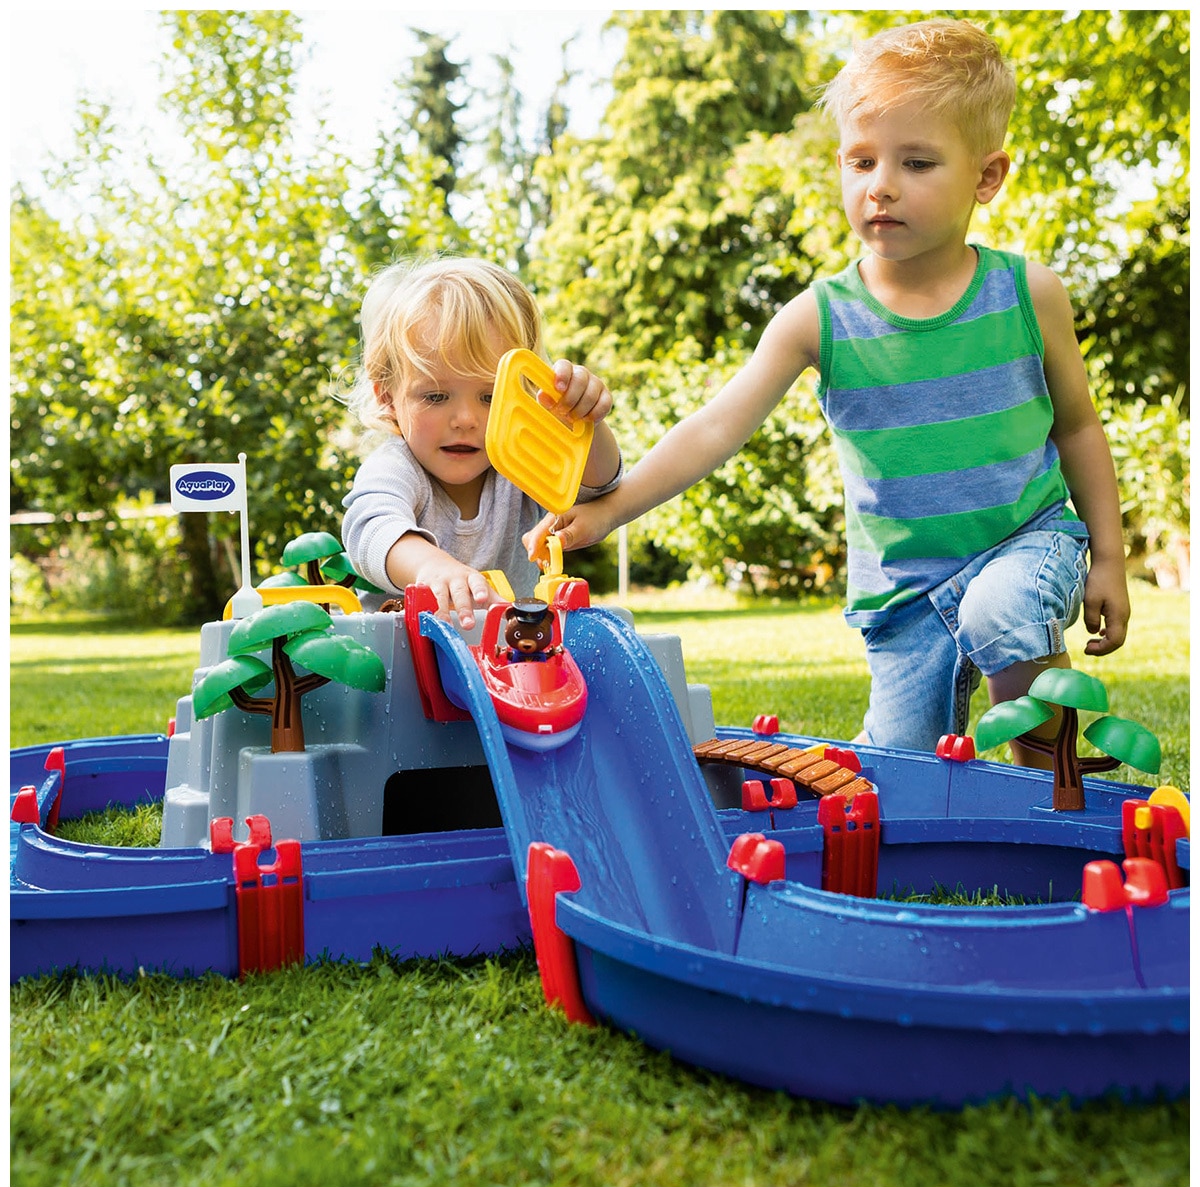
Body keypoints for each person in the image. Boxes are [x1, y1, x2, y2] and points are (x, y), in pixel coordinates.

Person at [525, 19, 1130, 762]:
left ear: (986, 177)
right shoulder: (819, 316)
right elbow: (718, 427)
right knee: (895, 775)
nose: (881, 186)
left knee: (1001, 611)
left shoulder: (1027, 294)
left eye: (916, 162)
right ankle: (896, 761)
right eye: (862, 160)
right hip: (905, 595)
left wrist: (1108, 556)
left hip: (1025, 545)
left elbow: (1077, 429)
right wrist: (609, 509)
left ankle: (1053, 791)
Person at [341, 257, 622, 629]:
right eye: (436, 397)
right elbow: (370, 529)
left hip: (511, 664)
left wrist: (587, 421)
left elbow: (596, 488)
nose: (465, 420)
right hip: (403, 665)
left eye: (490, 397)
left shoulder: (517, 461)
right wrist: (430, 566)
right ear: (387, 396)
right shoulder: (396, 467)